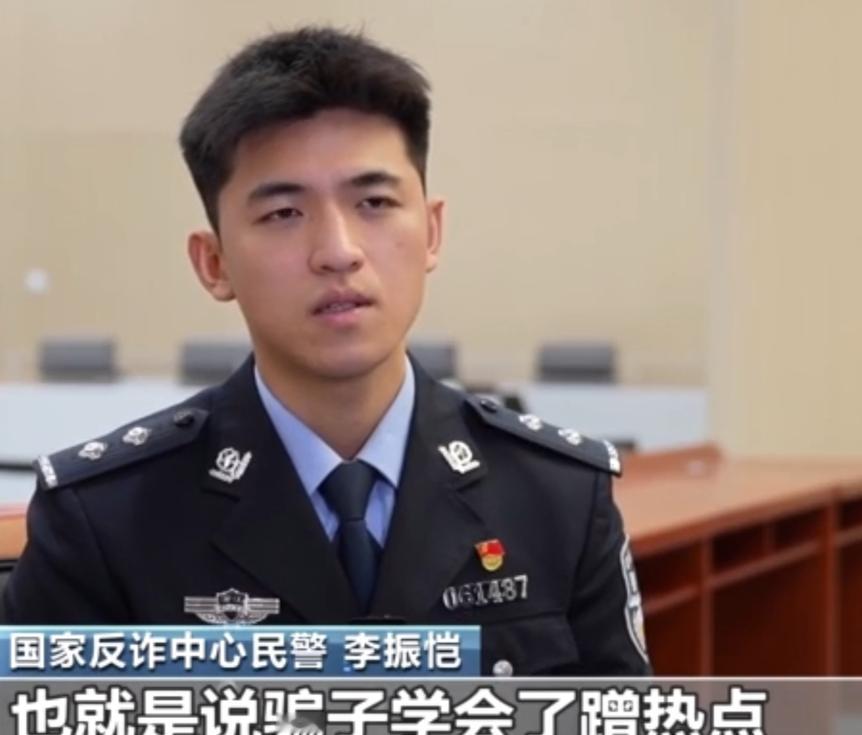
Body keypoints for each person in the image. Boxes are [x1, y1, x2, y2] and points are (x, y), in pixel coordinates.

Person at [2, 27, 651, 677]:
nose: (339, 251)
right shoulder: (105, 519)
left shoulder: (560, 498)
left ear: (431, 232)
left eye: (374, 202)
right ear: (214, 262)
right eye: (284, 213)